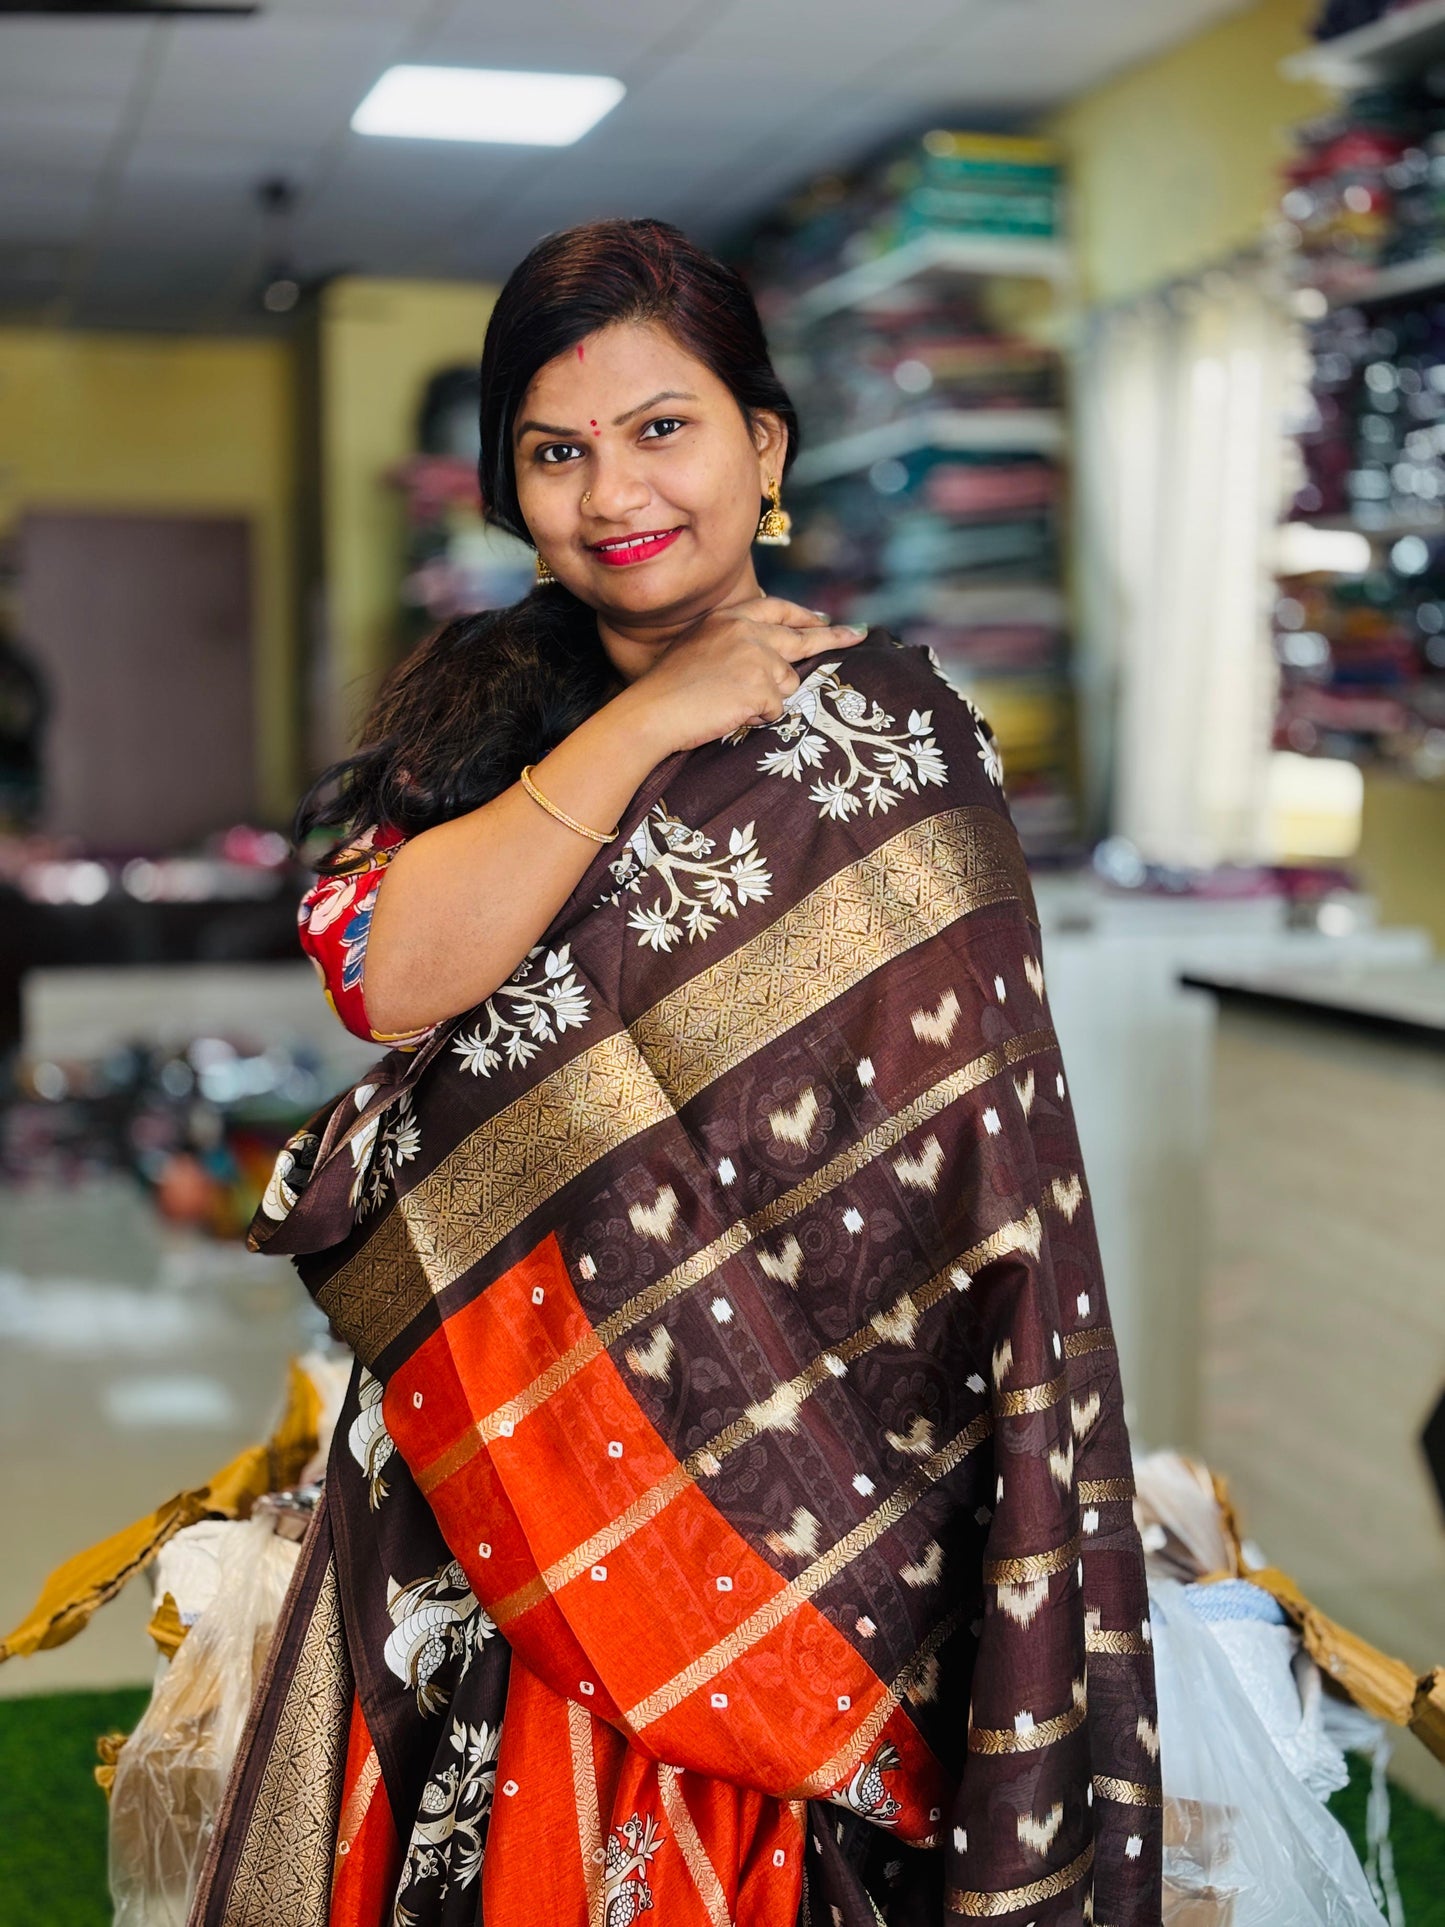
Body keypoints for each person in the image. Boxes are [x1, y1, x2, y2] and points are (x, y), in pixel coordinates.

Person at [197, 219, 1161, 1927]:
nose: (614, 492)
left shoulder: (895, 730)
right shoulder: (459, 729)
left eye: (664, 428)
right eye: (556, 452)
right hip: (526, 1459)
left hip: (838, 1462)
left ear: (763, 447)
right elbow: (397, 976)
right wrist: (652, 715)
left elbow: (966, 1146)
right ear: (507, 486)